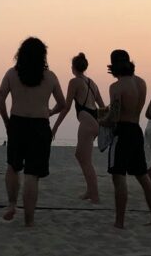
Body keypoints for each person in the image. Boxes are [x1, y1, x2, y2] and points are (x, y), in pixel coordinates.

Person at [0, 37, 66, 226]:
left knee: (12, 166)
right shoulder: (50, 77)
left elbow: (0, 100)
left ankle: (11, 205)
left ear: (21, 53)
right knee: (32, 174)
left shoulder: (12, 74)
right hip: (39, 126)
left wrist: (6, 122)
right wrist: (49, 112)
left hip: (17, 124)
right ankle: (29, 219)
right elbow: (63, 103)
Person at [101, 49, 151, 228]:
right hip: (136, 130)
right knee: (142, 176)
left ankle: (119, 222)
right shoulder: (141, 83)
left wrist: (100, 121)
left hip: (123, 133)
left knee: (118, 177)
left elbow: (115, 116)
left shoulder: (116, 87)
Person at [51, 52, 105, 203]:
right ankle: (90, 191)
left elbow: (66, 107)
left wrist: (55, 127)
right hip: (95, 121)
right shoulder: (92, 83)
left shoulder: (74, 82)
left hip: (87, 123)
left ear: (73, 67)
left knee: (85, 160)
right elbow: (102, 107)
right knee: (80, 155)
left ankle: (95, 195)